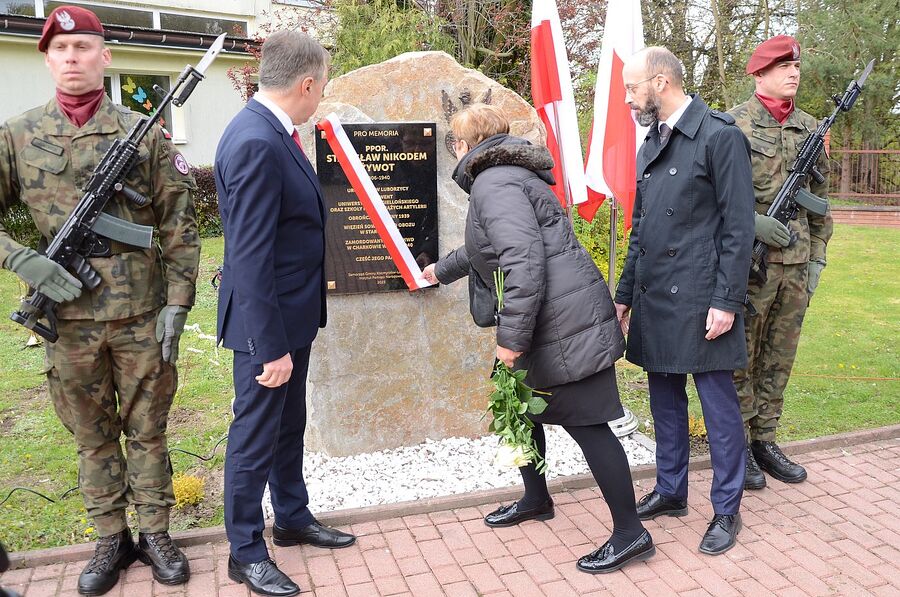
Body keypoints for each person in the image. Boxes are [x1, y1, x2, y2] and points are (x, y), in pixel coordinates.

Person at [0, 6, 199, 595]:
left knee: (148, 429)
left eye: (83, 48)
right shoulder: (18, 134)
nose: (71, 58)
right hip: (67, 320)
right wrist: (19, 257)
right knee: (91, 434)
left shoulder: (142, 132)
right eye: (60, 50)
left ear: (104, 56)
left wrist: (178, 304)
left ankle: (156, 533)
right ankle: (110, 537)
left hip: (142, 316)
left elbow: (179, 226)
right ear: (46, 59)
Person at [422, 103, 654, 574]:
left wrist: (511, 340)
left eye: (455, 142)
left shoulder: (493, 184)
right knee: (518, 405)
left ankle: (632, 533)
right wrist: (439, 271)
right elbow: (486, 246)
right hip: (551, 318)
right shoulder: (507, 176)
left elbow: (523, 263)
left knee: (590, 424)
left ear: (465, 145)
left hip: (562, 324)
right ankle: (536, 497)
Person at [214, 30, 355, 597]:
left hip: (290, 316)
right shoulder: (255, 139)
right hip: (264, 327)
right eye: (320, 85)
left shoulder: (273, 131)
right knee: (253, 436)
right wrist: (269, 345)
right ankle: (245, 551)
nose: (320, 94)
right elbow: (247, 256)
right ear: (306, 82)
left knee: (286, 424)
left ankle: (292, 517)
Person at [613, 47, 755, 555]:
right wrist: (624, 296)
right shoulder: (650, 142)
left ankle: (726, 509)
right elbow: (641, 231)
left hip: (701, 299)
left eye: (632, 88)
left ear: (660, 82)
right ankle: (672, 490)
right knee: (665, 402)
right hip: (656, 298)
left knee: (718, 409)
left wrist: (726, 300)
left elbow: (739, 230)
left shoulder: (720, 137)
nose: (627, 98)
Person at [728, 35, 833, 490]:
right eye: (783, 66)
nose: (794, 73)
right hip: (751, 266)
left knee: (779, 358)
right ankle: (738, 445)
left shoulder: (811, 127)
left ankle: (765, 441)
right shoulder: (731, 126)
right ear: (760, 73)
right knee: (739, 360)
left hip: (796, 265)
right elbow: (712, 199)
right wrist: (752, 223)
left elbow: (820, 204)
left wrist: (817, 260)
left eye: (796, 66)